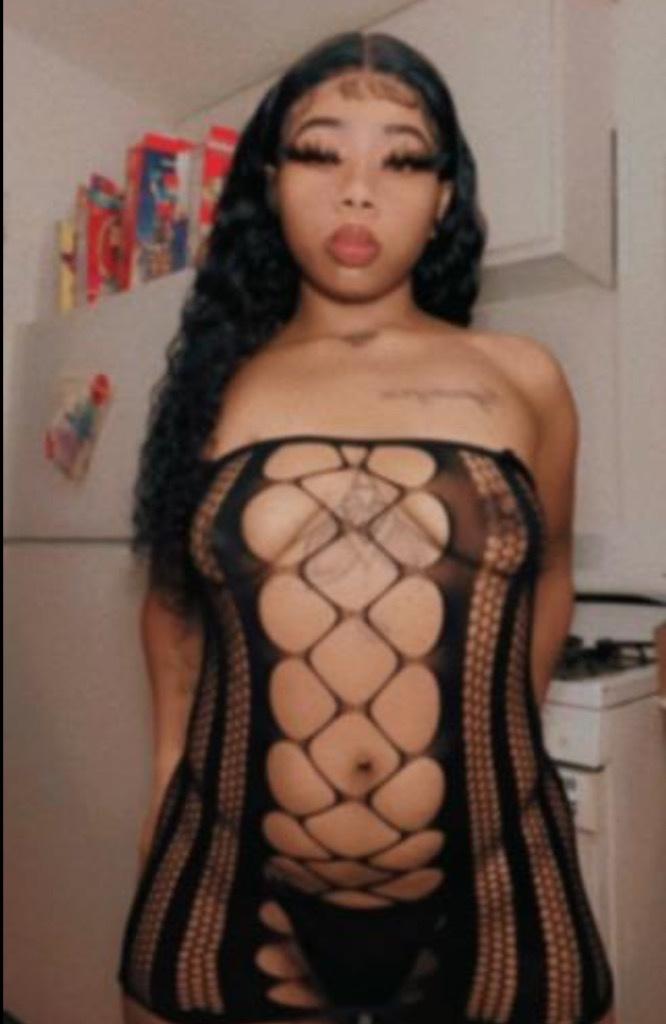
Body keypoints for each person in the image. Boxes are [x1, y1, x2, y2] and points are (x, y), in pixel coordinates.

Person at [116, 30, 616, 1024]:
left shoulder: (526, 380)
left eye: (402, 159)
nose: (357, 191)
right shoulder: (216, 385)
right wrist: (166, 776)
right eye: (319, 152)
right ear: (271, 182)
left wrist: (485, 770)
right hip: (226, 877)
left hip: (493, 880)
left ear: (445, 196)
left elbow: (550, 577)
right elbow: (174, 607)